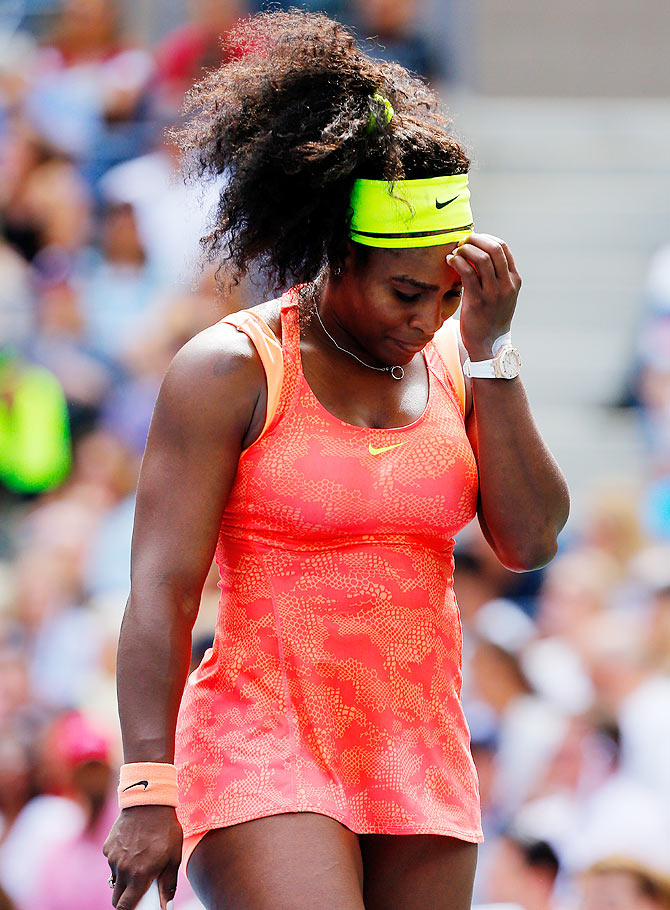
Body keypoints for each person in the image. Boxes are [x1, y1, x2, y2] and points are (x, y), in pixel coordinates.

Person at [103, 10, 570, 910]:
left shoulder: (461, 361)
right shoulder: (231, 368)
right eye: (404, 292)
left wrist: (490, 350)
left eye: (447, 294)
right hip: (261, 736)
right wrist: (149, 785)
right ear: (331, 257)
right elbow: (160, 591)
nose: (426, 318)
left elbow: (530, 540)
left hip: (420, 744)